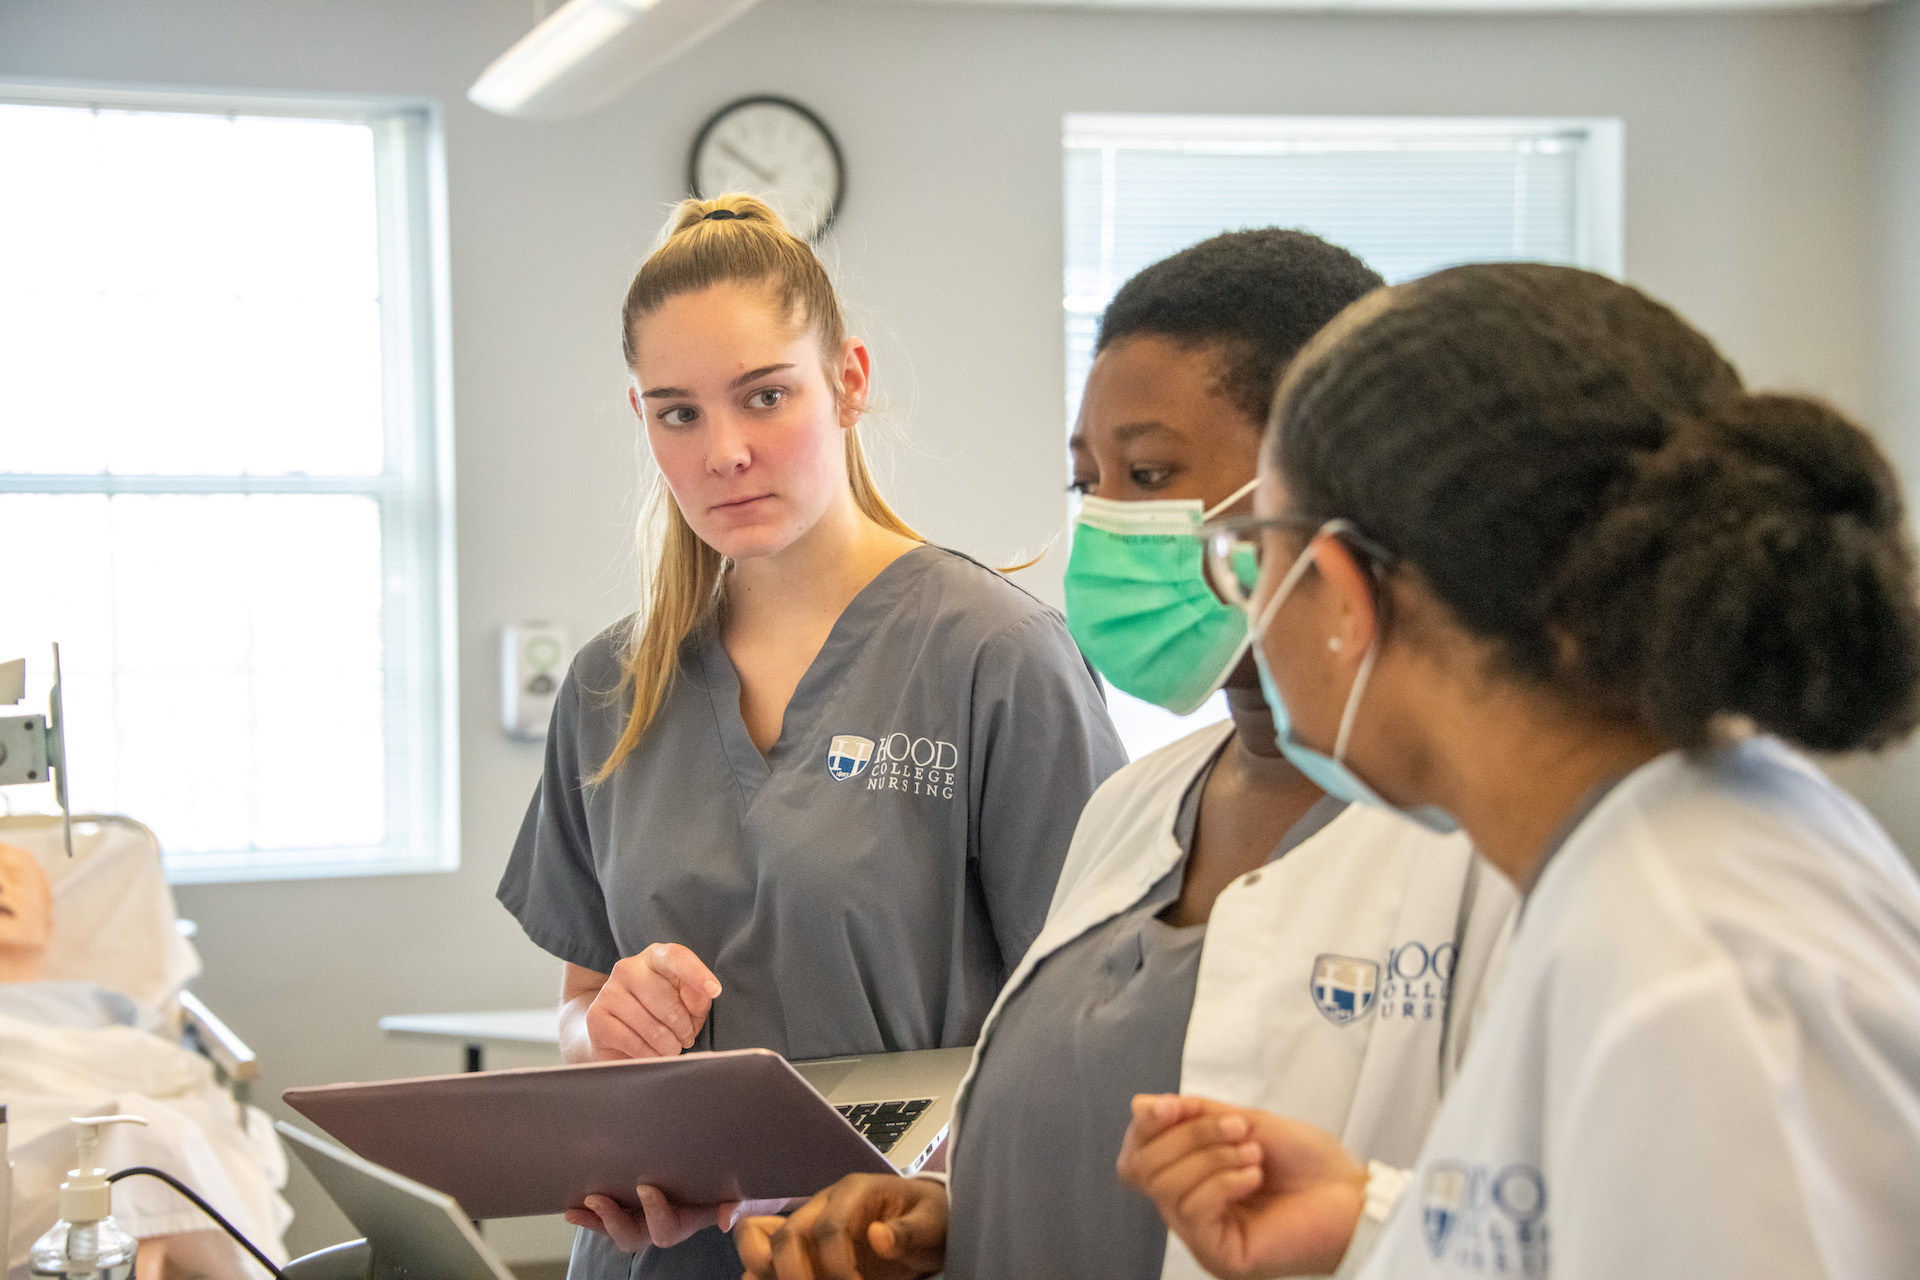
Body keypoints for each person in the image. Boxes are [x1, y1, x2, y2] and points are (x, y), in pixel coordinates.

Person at [734, 230, 1513, 1280]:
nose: (1107, 526)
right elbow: (1077, 1134)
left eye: (1148, 473)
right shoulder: (1138, 806)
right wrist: (952, 1209)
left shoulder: (1485, 848)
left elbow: (1558, 1218)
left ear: (1340, 481)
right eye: (1089, 481)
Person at [1117, 262, 1920, 1280]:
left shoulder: (1700, 968)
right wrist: (1381, 1221)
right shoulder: (1654, 857)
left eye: (1252, 553)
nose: (1250, 603)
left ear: (1346, 593)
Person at [495, 194, 1128, 1280]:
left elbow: (1088, 1028)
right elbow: (576, 1013)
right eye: (677, 413)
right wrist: (608, 1036)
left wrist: (931, 1188)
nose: (726, 451)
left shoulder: (994, 656)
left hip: (888, 1254)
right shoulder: (613, 683)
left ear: (848, 380)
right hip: (654, 1254)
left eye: (765, 396)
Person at [0, 843, 292, 1280]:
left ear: (49, 920)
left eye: (15, 876)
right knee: (144, 1137)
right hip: (25, 1126)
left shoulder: (109, 1006)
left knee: (142, 1131)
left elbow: (166, 1069)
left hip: (112, 1115)